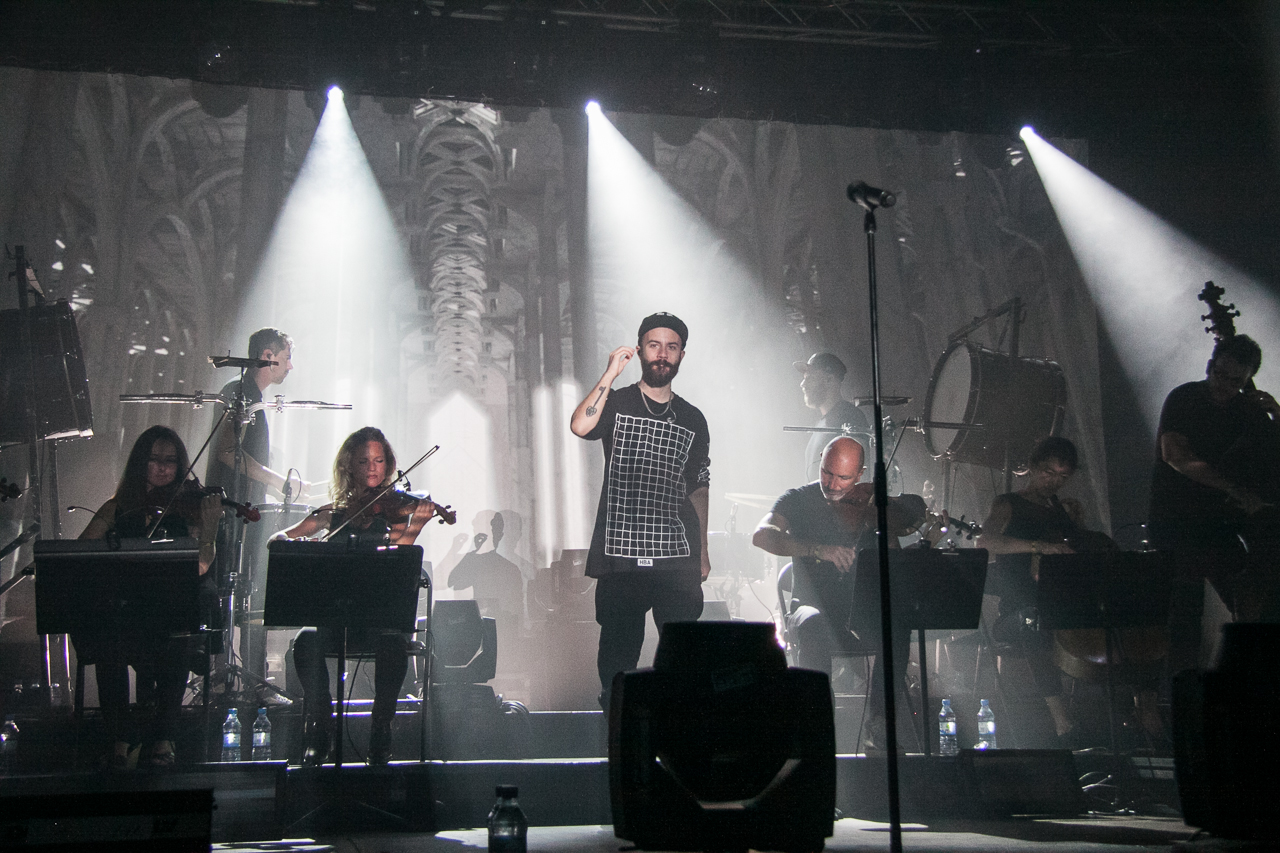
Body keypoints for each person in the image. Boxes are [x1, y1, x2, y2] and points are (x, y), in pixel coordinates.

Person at [570, 312, 711, 710]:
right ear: (640, 349)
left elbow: (699, 486)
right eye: (654, 345)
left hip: (676, 552)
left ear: (682, 353)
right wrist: (609, 374)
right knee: (618, 656)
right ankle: (617, 733)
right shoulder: (617, 402)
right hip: (621, 553)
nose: (662, 354)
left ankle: (675, 738)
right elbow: (580, 426)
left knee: (682, 654)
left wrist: (702, 549)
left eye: (671, 346)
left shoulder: (693, 418)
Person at [752, 436, 923, 752]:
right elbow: (762, 535)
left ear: (859, 475)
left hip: (858, 610)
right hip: (811, 604)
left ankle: (880, 724)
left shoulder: (871, 503)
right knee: (813, 625)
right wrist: (817, 549)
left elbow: (910, 524)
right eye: (826, 472)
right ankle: (817, 726)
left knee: (897, 627)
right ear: (820, 461)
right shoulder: (798, 500)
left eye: (843, 477)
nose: (831, 484)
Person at [279, 426, 438, 765]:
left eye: (379, 460)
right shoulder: (332, 512)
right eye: (364, 460)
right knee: (305, 643)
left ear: (388, 465)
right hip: (335, 622)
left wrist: (414, 527)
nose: (372, 468)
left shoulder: (394, 513)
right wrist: (301, 546)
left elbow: (396, 559)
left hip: (377, 623)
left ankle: (381, 729)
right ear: (348, 465)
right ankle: (320, 725)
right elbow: (278, 539)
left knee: (393, 643)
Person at [75, 425, 223, 768]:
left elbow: (201, 565)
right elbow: (82, 552)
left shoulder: (187, 510)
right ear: (140, 462)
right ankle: (120, 736)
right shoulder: (116, 508)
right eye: (154, 459)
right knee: (105, 635)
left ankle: (163, 737)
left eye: (170, 461)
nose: (162, 468)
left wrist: (210, 526)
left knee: (180, 634)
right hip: (124, 615)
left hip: (168, 617)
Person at [206, 327, 311, 506]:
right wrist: (280, 482)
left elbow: (244, 468)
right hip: (229, 510)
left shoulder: (250, 393)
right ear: (268, 356)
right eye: (287, 358)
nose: (290, 366)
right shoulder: (240, 391)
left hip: (242, 508)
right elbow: (228, 452)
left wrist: (276, 490)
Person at [796, 353, 869, 482]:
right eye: (804, 378)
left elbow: (857, 477)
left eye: (810, 377)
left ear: (829, 379)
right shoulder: (821, 423)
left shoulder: (850, 417)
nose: (803, 384)